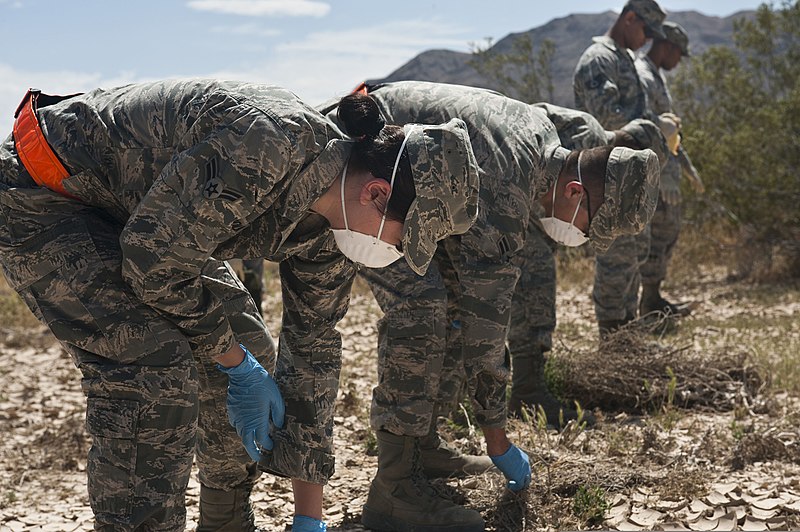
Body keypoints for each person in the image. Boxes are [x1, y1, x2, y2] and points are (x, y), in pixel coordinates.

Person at [0, 79, 479, 532]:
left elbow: (312, 352)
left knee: (248, 347)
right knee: (150, 365)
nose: (397, 252)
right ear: (376, 193)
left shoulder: (333, 234)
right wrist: (234, 363)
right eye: (407, 237)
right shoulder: (268, 145)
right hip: (42, 190)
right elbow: (154, 264)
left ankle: (225, 519)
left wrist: (308, 517)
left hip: (142, 218)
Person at [323, 80, 660, 532]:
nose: (582, 240)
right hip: (353, 178)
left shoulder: (543, 138)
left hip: (399, 176)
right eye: (591, 227)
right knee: (421, 307)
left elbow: (473, 307)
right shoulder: (510, 184)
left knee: (452, 304)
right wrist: (497, 440)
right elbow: (489, 323)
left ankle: (422, 446)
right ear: (575, 191)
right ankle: (393, 490)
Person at [509, 103, 667, 419]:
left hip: (528, 194)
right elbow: (619, 258)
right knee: (533, 280)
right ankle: (527, 392)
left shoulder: (590, 147)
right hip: (516, 195)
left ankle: (514, 387)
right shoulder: (589, 146)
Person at [573, 0, 667, 336]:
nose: (649, 40)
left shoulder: (623, 58)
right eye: (647, 30)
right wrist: (650, 127)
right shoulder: (599, 60)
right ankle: (612, 340)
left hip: (632, 176)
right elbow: (604, 118)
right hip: (609, 179)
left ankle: (628, 334)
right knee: (616, 257)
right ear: (629, 18)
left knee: (634, 254)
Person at [635, 20, 705, 318]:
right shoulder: (643, 77)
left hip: (669, 169)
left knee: (667, 234)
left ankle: (653, 299)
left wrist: (687, 167)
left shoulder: (656, 77)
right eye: (679, 54)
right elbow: (644, 128)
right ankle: (646, 304)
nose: (679, 61)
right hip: (655, 175)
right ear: (667, 47)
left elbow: (670, 133)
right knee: (654, 237)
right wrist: (661, 175)